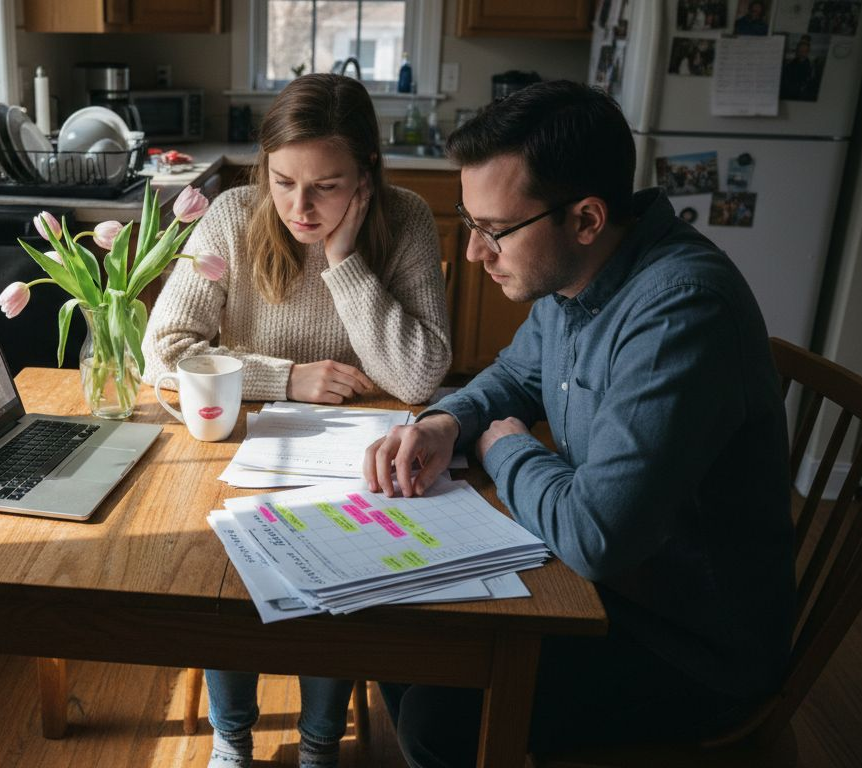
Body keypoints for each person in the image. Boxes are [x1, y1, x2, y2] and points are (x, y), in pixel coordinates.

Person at [362, 81, 794, 766]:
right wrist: (448, 420)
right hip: (609, 588)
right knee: (402, 635)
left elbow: (595, 535)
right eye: (471, 226)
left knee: (439, 720)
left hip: (688, 644)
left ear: (587, 218)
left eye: (494, 231)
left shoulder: (681, 310)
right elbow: (513, 377)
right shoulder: (579, 274)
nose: (475, 253)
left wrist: (504, 447)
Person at [144, 73, 451, 767]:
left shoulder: (403, 219)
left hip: (352, 457)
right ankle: (232, 739)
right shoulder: (232, 214)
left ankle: (319, 743)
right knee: (223, 568)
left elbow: (419, 374)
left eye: (327, 186)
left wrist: (343, 262)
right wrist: (285, 377)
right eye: (284, 181)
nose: (300, 207)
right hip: (244, 448)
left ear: (367, 174)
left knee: (341, 569)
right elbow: (163, 352)